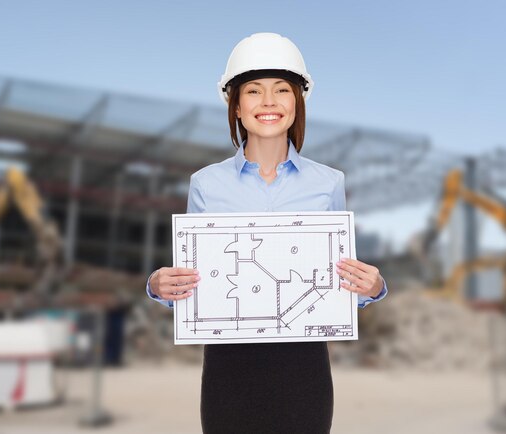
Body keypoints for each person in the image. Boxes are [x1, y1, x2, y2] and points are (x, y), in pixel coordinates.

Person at [146, 32, 388, 434]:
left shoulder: (328, 183)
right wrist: (159, 285)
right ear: (236, 106)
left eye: (281, 90)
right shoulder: (206, 185)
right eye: (254, 91)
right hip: (230, 372)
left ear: (298, 102)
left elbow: (337, 285)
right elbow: (194, 288)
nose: (269, 102)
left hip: (304, 369)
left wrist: (372, 287)